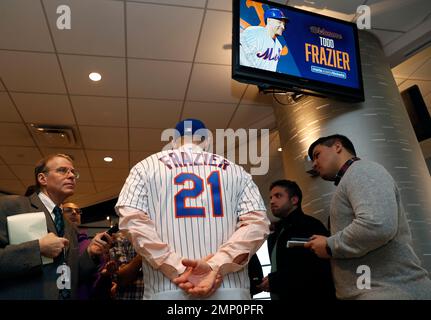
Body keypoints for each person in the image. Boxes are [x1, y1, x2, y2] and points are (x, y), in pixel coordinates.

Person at [115, 119, 270, 299]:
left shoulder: (144, 168)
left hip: (167, 290)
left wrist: (179, 269)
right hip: (229, 290)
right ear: (207, 141)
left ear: (173, 141)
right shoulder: (237, 171)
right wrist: (215, 266)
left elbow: (132, 221)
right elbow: (257, 224)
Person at [305, 134, 431, 299]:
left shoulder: (362, 170)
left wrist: (329, 245)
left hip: (389, 291)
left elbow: (377, 224)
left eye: (317, 155)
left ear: (337, 146)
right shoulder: (355, 175)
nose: (314, 164)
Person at [0, 154, 111, 299]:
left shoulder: (69, 226)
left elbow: (68, 274)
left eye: (73, 172)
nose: (71, 176)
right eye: (62, 170)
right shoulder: (12, 206)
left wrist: (91, 253)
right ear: (42, 179)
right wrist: (38, 249)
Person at [257, 180, 335, 300]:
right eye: (271, 197)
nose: (272, 201)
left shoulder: (310, 225)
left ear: (294, 200)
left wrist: (275, 280)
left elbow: (312, 268)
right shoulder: (277, 232)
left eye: (278, 196)